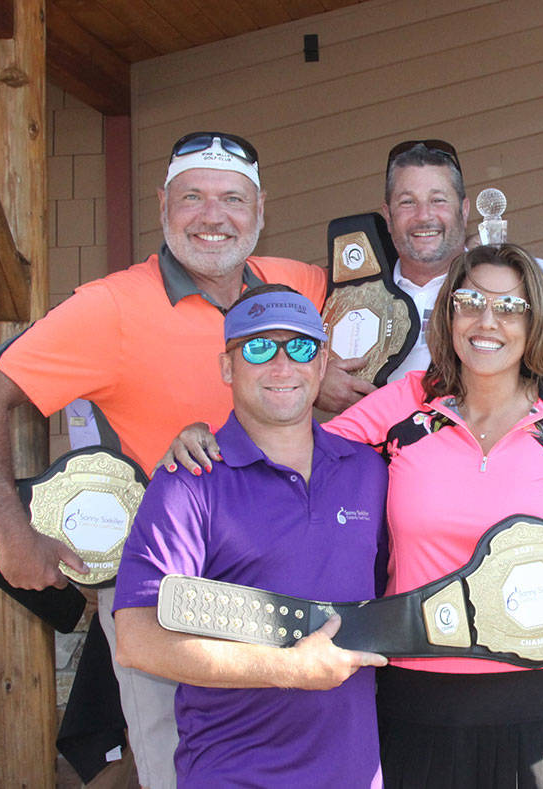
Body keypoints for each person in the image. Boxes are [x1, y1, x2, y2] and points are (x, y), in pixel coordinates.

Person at [0, 132, 341, 787]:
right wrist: (14, 532)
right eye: (193, 197)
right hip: (169, 594)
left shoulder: (298, 284)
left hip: (286, 577)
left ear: (261, 208)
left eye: (232, 200)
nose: (213, 217)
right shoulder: (108, 307)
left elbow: (349, 342)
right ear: (163, 205)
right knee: (185, 769)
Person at [160, 243, 543, 787]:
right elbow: (292, 447)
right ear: (448, 315)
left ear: (534, 319)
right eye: (469, 302)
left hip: (541, 690)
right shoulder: (407, 403)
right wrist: (203, 434)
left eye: (509, 306)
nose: (487, 321)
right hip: (418, 688)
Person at [113, 285, 388, 786]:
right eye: (259, 348)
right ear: (226, 367)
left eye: (300, 348)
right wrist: (288, 668)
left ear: (322, 363)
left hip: (354, 771)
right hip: (236, 773)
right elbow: (137, 641)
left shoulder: (367, 470)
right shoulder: (189, 481)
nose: (282, 367)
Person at [350, 139, 543, 389]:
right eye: (407, 202)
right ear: (387, 216)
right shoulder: (353, 295)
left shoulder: (509, 275)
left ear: (464, 211)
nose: (424, 216)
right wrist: (323, 382)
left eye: (438, 200)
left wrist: (532, 388)